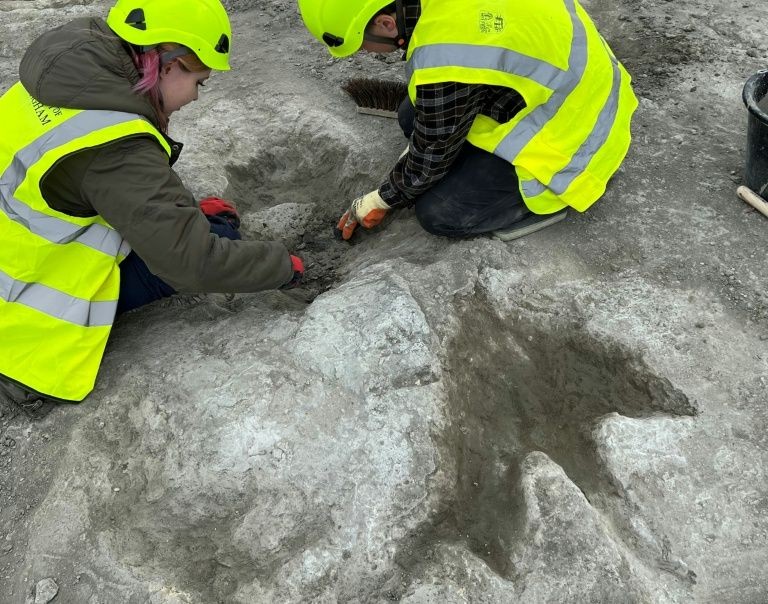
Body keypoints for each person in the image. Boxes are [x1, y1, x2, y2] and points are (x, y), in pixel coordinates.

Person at [0, 0, 304, 417]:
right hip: (26, 313)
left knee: (205, 225)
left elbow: (99, 185)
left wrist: (188, 210)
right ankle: (24, 369)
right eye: (200, 81)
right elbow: (193, 263)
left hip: (19, 250)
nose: (197, 96)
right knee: (221, 238)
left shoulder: (69, 74)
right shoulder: (115, 145)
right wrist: (281, 265)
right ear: (169, 64)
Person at [298, 0, 639, 241]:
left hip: (575, 135)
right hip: (569, 84)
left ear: (387, 23)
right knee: (411, 114)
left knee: (440, 213)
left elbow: (429, 158)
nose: (366, 54)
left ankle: (545, 205)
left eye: (363, 45)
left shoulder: (446, 55)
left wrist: (380, 199)